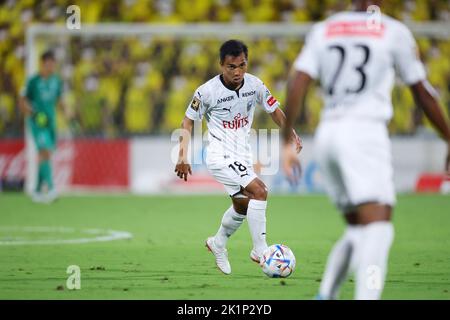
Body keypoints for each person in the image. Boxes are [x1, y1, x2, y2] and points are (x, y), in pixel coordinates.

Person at [282, 0, 450, 299]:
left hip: (329, 134)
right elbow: (423, 93)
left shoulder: (325, 29)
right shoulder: (393, 31)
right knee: (379, 231)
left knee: (359, 230)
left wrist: (285, 142)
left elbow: (297, 83)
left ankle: (326, 295)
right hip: (364, 134)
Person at [175, 40, 302, 275]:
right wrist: (182, 155)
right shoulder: (207, 91)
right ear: (221, 65)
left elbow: (274, 109)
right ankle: (260, 249)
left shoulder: (255, 85)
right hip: (219, 154)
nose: (237, 72)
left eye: (242, 65)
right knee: (260, 191)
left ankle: (218, 242)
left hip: (242, 155)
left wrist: (290, 132)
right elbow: (188, 120)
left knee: (243, 205)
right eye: (231, 66)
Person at [19, 50, 68, 203]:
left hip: (51, 122)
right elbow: (22, 100)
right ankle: (51, 189)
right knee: (44, 151)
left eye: (53, 64)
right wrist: (30, 112)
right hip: (37, 122)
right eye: (48, 63)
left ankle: (38, 191)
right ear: (42, 64)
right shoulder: (32, 81)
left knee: (45, 154)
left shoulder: (56, 81)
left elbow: (59, 100)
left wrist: (67, 111)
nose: (51, 66)